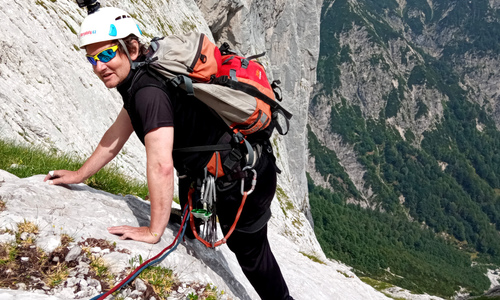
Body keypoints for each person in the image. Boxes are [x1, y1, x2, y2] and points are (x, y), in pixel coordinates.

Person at [44, 5, 293, 300]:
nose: (99, 67)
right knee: (194, 205)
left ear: (132, 48)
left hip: (242, 180)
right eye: (92, 58)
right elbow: (117, 134)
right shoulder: (141, 76)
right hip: (214, 168)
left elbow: (161, 164)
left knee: (249, 250)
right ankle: (194, 220)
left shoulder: (148, 91)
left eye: (107, 55)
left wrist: (153, 231)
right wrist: (79, 174)